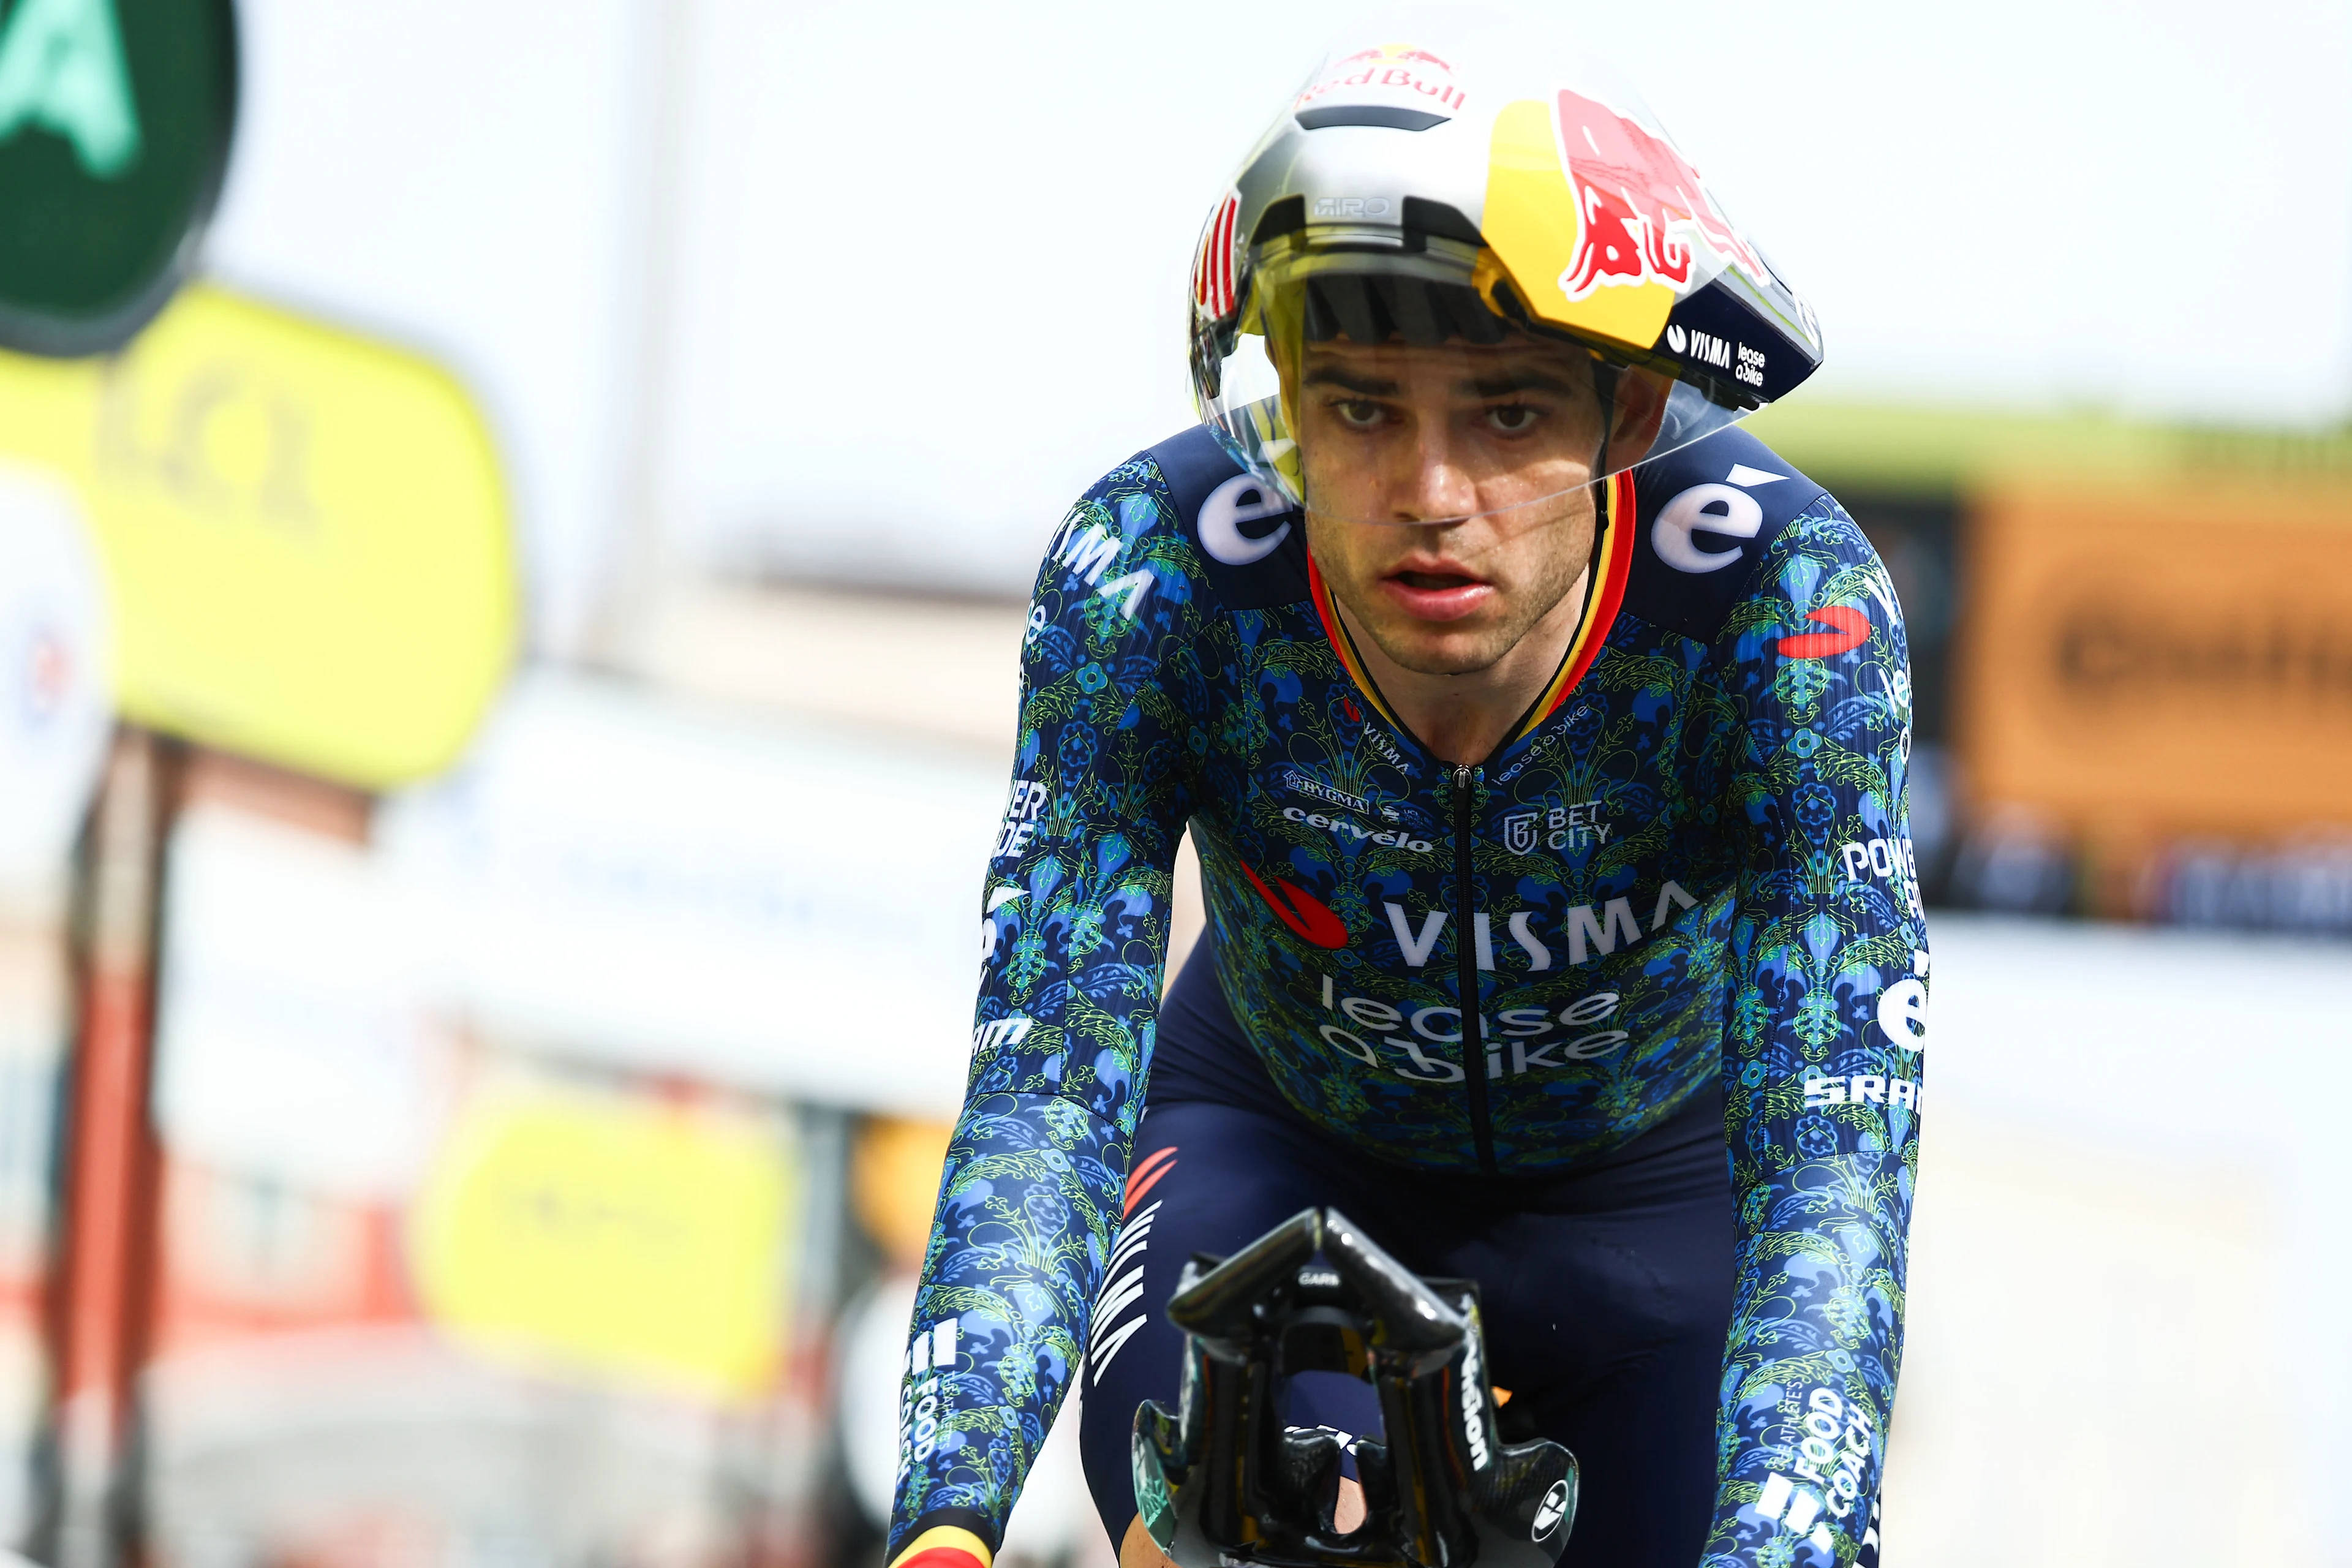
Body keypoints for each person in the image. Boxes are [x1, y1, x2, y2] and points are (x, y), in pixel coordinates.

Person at [885, 16, 1922, 1568]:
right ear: (1284, 393)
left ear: (1628, 417)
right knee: (1229, 1537)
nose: (1432, 495)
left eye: (1506, 413)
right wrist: (948, 1509)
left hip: (1656, 1216)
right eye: (1363, 408)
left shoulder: (1787, 608)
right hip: (1276, 1153)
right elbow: (1046, 1068)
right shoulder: (1153, 574)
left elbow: (1834, 1142)